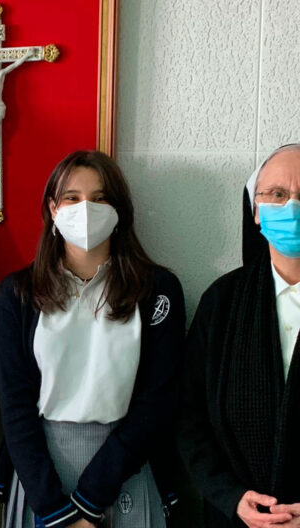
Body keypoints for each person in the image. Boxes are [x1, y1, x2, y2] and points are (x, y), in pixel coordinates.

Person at [0, 150, 185, 528]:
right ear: (52, 209)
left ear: (119, 211)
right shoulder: (18, 293)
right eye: (72, 198)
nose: (86, 210)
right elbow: (14, 406)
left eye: (100, 199)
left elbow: (158, 400)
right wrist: (54, 510)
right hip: (40, 473)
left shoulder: (158, 289)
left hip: (125, 463)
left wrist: (91, 497)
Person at [179, 143, 300, 528]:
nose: (292, 207)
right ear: (255, 211)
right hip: (233, 518)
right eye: (277, 194)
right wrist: (229, 495)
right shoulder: (222, 301)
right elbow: (187, 413)